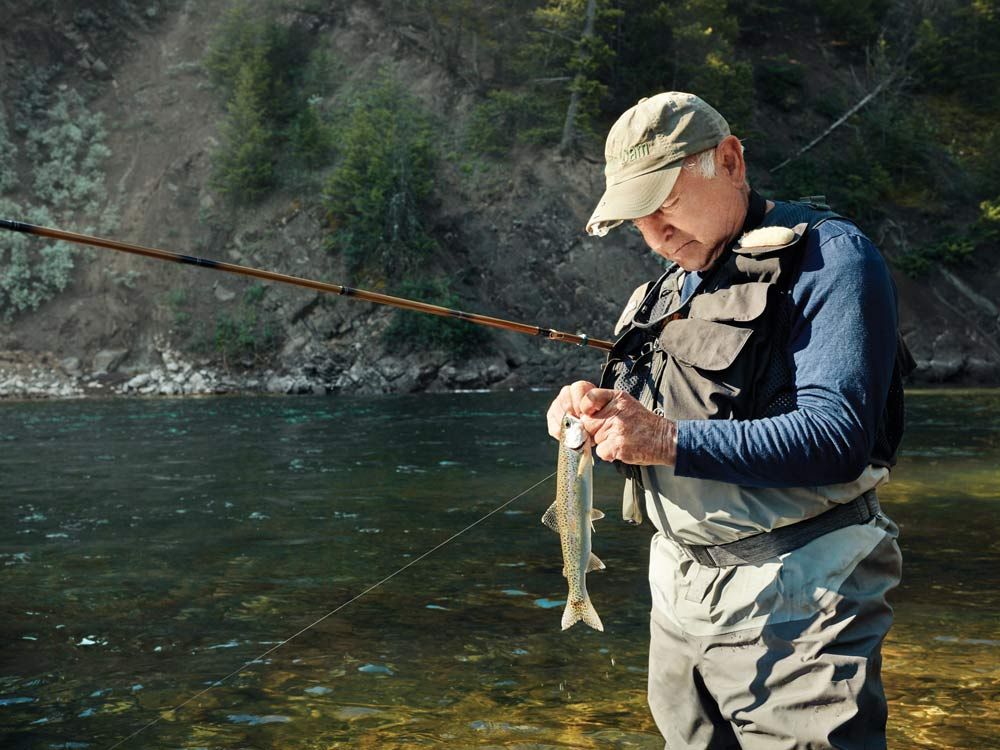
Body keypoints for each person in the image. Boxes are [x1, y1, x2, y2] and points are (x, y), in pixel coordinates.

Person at [546, 92, 911, 750]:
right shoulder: (656, 295)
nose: (656, 232)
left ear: (731, 160)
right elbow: (640, 435)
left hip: (800, 596)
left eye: (666, 202)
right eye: (639, 218)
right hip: (677, 599)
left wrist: (663, 438)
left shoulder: (831, 262)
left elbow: (837, 439)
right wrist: (588, 417)